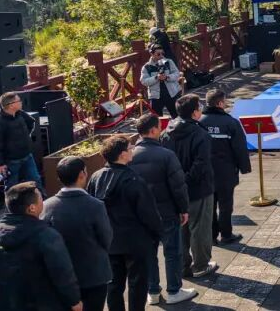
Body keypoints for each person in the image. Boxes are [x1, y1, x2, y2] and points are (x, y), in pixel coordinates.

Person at [85, 136, 163, 311]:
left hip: (108, 241)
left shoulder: (96, 177)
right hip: (135, 242)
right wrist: (156, 233)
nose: (132, 149)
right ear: (122, 154)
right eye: (130, 148)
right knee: (137, 285)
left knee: (113, 285)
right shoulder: (134, 180)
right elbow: (148, 213)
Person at [129, 114, 196, 305]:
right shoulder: (166, 155)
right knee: (172, 252)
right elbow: (178, 186)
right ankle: (174, 290)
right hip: (167, 212)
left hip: (142, 215)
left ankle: (153, 291)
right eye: (159, 127)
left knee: (149, 253)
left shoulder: (129, 156)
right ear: (153, 130)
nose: (161, 130)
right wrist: (183, 209)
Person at [0, 182, 82, 311]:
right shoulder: (46, 236)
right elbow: (62, 272)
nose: (43, 200)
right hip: (47, 303)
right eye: (40, 197)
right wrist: (74, 300)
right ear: (32, 208)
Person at [42, 157, 114, 311]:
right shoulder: (95, 206)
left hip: (60, 277)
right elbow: (106, 239)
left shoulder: (47, 207)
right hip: (93, 275)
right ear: (82, 174)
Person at [161, 94, 217, 279]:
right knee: (200, 228)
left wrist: (178, 183)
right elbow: (201, 164)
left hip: (174, 190)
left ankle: (183, 266)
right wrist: (186, 180)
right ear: (194, 112)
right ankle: (201, 265)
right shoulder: (200, 134)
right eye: (199, 107)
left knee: (180, 229)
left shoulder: (166, 132)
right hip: (198, 189)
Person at [199, 90, 251, 245]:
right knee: (226, 205)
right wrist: (244, 167)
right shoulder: (230, 123)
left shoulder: (199, 122)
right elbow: (239, 148)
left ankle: (211, 235)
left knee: (209, 204)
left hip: (204, 171)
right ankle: (226, 234)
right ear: (220, 103)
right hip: (226, 171)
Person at [0, 91, 41, 189]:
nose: (21, 102)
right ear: (11, 105)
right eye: (18, 100)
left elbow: (31, 122)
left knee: (35, 180)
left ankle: (40, 197)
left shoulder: (20, 114)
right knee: (11, 186)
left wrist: (24, 138)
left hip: (27, 156)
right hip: (11, 161)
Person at [140, 44, 182, 119]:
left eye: (162, 53)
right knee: (156, 118)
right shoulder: (146, 67)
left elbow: (177, 74)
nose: (161, 56)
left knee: (177, 116)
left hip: (171, 93)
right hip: (156, 96)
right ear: (151, 54)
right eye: (158, 54)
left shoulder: (169, 62)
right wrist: (156, 77)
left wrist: (167, 77)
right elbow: (143, 81)